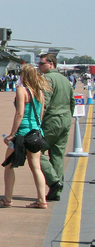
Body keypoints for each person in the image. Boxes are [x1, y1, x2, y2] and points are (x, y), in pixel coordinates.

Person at [0, 63, 49, 208]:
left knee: (9, 165)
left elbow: (20, 113)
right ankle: (42, 200)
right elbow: (41, 114)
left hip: (22, 133)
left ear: (23, 75)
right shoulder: (39, 92)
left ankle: (7, 198)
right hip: (35, 132)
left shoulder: (21, 90)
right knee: (36, 167)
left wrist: (12, 134)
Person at [38, 54, 74, 201]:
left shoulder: (47, 79)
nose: (39, 66)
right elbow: (72, 101)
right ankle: (57, 191)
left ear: (51, 64)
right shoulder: (65, 80)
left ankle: (54, 182)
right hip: (65, 118)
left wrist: (37, 122)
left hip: (52, 119)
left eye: (42, 63)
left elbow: (44, 102)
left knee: (35, 150)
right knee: (57, 155)